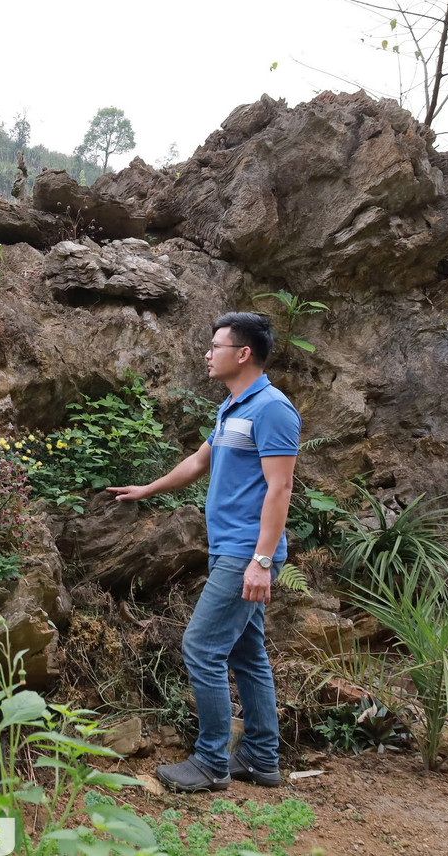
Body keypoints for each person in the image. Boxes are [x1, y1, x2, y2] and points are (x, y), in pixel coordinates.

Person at [107, 312, 300, 793]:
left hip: (244, 554)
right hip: (229, 551)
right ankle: (259, 757)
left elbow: (281, 489)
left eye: (216, 345)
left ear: (244, 353)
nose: (207, 354)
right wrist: (147, 489)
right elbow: (199, 460)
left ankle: (213, 761)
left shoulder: (272, 409)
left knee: (200, 647)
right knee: (246, 653)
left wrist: (261, 561)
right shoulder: (233, 407)